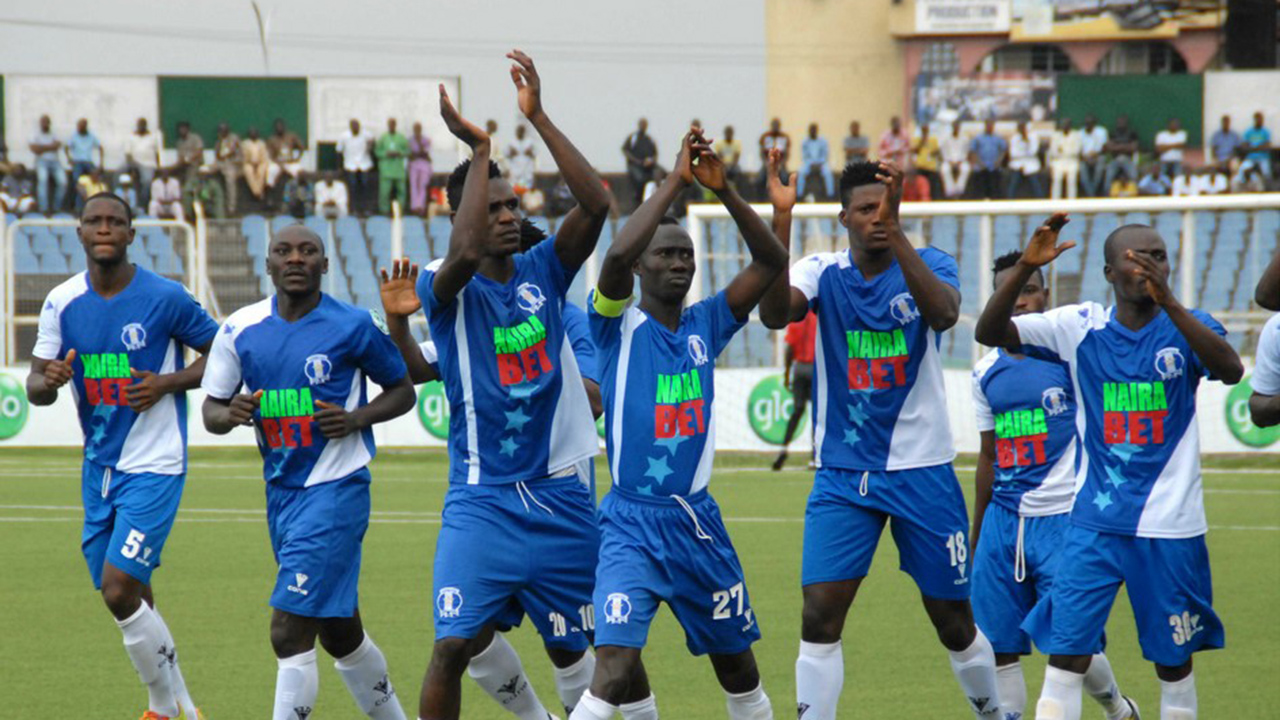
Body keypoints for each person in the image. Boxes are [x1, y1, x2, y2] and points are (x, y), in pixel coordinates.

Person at [759, 159, 1001, 720]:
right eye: (866, 210)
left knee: (953, 621)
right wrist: (782, 217)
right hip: (844, 474)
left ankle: (995, 713)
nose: (876, 218)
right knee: (819, 614)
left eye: (885, 209)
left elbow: (944, 314)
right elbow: (773, 314)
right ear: (843, 217)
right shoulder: (822, 271)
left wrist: (898, 235)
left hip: (922, 470)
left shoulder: (931, 262)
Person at [975, 218, 1243, 720]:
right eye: (1135, 257)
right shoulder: (1079, 327)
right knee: (1064, 661)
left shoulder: (1190, 324)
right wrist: (1026, 267)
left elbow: (1230, 370)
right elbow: (990, 332)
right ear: (1108, 272)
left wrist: (1171, 303)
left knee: (1174, 667)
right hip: (1093, 526)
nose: (1148, 266)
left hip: (1170, 528)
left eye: (1158, 256)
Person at [413, 52, 613, 720]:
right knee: (451, 646)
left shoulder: (544, 272)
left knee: (603, 646)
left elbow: (597, 204)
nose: (505, 215)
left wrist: (539, 118)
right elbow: (467, 252)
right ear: (462, 216)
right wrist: (480, 151)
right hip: (483, 499)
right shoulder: (443, 286)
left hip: (560, 495)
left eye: (511, 205)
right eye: (491, 206)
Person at [571, 132, 787, 720]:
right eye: (665, 254)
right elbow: (613, 259)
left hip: (697, 525)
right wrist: (675, 181)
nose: (679, 263)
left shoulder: (706, 325)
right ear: (641, 266)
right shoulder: (614, 326)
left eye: (686, 255)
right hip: (629, 525)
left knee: (739, 671)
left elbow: (771, 262)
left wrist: (727, 192)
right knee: (613, 669)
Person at [201, 224, 416, 720]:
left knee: (288, 631)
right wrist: (230, 413)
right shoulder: (239, 328)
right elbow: (211, 409)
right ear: (268, 265)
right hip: (282, 494)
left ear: (325, 264)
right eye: (283, 251)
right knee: (340, 633)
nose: (295, 259)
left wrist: (356, 419)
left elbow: (402, 390)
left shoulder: (353, 325)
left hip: (336, 490)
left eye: (308, 251)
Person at [27, 192, 217, 720]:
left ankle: (161, 707)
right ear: (80, 233)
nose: (105, 228)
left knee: (118, 590)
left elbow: (222, 355)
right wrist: (49, 380)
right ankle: (183, 708)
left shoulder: (166, 297)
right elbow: (35, 385)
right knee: (131, 594)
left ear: (132, 234)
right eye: (95, 221)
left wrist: (166, 383)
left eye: (116, 221)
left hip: (155, 464)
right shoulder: (62, 301)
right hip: (98, 467)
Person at [971, 249, 1140, 720]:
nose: (1020, 301)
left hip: (1066, 519)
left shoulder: (1073, 360)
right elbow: (988, 455)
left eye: (1029, 290)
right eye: (1011, 292)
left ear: (1046, 295)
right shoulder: (984, 372)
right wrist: (978, 530)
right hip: (1004, 523)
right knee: (998, 645)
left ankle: (1117, 708)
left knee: (1071, 641)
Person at [772, 302, 815, 470]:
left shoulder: (795, 321)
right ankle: (815, 456)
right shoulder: (819, 320)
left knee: (797, 410)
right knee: (817, 413)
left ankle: (783, 449)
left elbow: (789, 348)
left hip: (799, 369)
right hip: (815, 368)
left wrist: (787, 372)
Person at [30, 115, 67, 214]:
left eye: (46, 122)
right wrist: (51, 146)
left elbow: (57, 145)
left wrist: (42, 147)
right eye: (43, 122)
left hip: (55, 162)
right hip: (41, 162)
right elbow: (34, 149)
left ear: (49, 123)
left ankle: (57, 208)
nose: (45, 124)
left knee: (63, 182)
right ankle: (44, 209)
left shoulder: (55, 133)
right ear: (40, 123)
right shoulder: (35, 134)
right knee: (43, 181)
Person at [338, 119, 376, 216]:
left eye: (357, 126)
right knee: (352, 187)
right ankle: (353, 209)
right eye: (353, 126)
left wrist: (370, 145)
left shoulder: (366, 134)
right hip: (350, 165)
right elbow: (338, 151)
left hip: (364, 164)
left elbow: (372, 140)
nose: (355, 128)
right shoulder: (344, 136)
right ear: (350, 127)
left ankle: (366, 209)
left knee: (366, 187)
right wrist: (339, 167)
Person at [124, 118, 162, 210]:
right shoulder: (131, 137)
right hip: (134, 163)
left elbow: (157, 153)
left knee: (147, 181)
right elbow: (128, 154)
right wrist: (132, 168)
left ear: (146, 126)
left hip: (148, 164)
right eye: (139, 125)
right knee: (118, 173)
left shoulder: (153, 137)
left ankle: (142, 204)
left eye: (143, 125)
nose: (141, 127)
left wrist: (159, 166)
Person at [375, 118, 409, 214]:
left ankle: (400, 211)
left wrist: (399, 153)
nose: (392, 126)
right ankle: (384, 211)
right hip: (386, 170)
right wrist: (386, 153)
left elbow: (408, 151)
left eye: (393, 124)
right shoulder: (383, 138)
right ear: (388, 125)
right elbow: (377, 152)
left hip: (399, 170)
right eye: (390, 124)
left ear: (395, 125)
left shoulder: (401, 138)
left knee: (401, 192)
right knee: (384, 193)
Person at [623, 118, 658, 205]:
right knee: (640, 178)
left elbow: (655, 153)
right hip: (635, 165)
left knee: (659, 174)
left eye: (645, 125)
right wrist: (636, 161)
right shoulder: (633, 138)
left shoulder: (649, 139)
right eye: (642, 124)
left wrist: (651, 161)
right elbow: (625, 150)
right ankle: (638, 198)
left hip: (648, 166)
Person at [970, 119, 1007, 200]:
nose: (989, 127)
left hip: (994, 166)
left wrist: (998, 161)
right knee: (979, 179)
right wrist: (979, 162)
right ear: (985, 126)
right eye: (988, 126)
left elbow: (1003, 151)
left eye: (991, 126)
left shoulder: (998, 138)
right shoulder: (978, 138)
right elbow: (973, 151)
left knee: (995, 181)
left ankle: (994, 198)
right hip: (981, 166)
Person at [1007, 121, 1044, 199]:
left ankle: (1040, 201)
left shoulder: (1033, 137)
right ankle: (1010, 202)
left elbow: (1033, 151)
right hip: (1018, 164)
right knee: (1013, 184)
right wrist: (1024, 155)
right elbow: (1013, 153)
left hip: (1031, 164)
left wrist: (1026, 141)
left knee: (1035, 184)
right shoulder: (1014, 138)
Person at [1102, 115, 1139, 193]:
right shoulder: (1113, 133)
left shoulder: (1132, 133)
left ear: (1126, 123)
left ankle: (1135, 193)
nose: (1121, 124)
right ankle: (1106, 194)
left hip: (1128, 159)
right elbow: (1110, 148)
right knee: (1109, 175)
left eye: (1123, 122)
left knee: (1134, 175)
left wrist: (1117, 147)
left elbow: (1133, 147)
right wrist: (1125, 146)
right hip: (1115, 159)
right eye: (1119, 122)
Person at [267, 118, 306, 191]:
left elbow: (301, 147)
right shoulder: (272, 139)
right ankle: (270, 192)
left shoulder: (291, 136)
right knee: (271, 171)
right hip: (278, 163)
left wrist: (297, 158)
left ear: (284, 127)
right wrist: (279, 164)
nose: (279, 128)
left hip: (290, 162)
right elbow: (270, 156)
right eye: (277, 127)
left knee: (300, 172)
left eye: (281, 126)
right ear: (275, 128)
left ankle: (300, 192)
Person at [1048, 118, 1082, 201]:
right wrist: (1065, 151)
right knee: (1057, 179)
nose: (1064, 126)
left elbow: (1076, 151)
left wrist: (1063, 150)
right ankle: (1055, 201)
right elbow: (1053, 151)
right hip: (1059, 161)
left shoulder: (1076, 135)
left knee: (1071, 180)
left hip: (1072, 161)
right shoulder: (1056, 135)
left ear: (1070, 125)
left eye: (1066, 124)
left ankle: (1072, 202)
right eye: (1063, 125)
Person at [797, 123, 834, 199]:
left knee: (828, 173)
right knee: (801, 172)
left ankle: (830, 194)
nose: (813, 131)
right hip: (808, 164)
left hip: (821, 163)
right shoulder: (805, 142)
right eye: (811, 130)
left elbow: (825, 154)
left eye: (814, 130)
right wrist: (811, 163)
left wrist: (819, 163)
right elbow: (804, 156)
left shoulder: (823, 141)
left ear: (817, 131)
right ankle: (799, 195)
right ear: (809, 131)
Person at [66, 118, 104, 189]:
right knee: (76, 179)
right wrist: (69, 159)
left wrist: (101, 163)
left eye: (81, 127)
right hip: (78, 162)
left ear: (85, 127)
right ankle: (79, 195)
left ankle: (96, 193)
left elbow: (100, 148)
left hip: (88, 162)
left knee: (98, 176)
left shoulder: (91, 136)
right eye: (78, 126)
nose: (78, 128)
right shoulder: (74, 136)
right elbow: (66, 147)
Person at [213, 123, 242, 215]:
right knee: (205, 171)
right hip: (222, 163)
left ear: (227, 130)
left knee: (230, 179)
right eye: (220, 130)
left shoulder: (234, 138)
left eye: (223, 130)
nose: (221, 132)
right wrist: (220, 142)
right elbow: (218, 155)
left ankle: (231, 208)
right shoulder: (219, 140)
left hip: (234, 163)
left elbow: (229, 152)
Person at [1078, 116, 1109, 197]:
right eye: (1086, 124)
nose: (1088, 125)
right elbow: (1079, 150)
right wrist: (1085, 157)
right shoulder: (1080, 133)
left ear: (1094, 124)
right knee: (1082, 171)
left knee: (1099, 169)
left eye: (1090, 123)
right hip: (1085, 158)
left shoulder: (1101, 131)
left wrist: (1095, 155)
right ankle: (1091, 195)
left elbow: (1104, 148)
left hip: (1098, 156)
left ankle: (1091, 193)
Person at [408, 122, 433, 215]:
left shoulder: (426, 140)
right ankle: (414, 207)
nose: (417, 130)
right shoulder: (410, 140)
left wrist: (419, 146)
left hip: (424, 164)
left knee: (422, 185)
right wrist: (418, 154)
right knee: (414, 185)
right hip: (414, 164)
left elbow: (425, 152)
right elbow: (410, 154)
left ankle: (421, 207)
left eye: (418, 128)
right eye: (415, 129)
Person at [242, 127, 271, 206]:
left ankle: (256, 193)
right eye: (252, 133)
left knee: (261, 171)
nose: (253, 134)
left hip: (260, 163)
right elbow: (244, 157)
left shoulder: (262, 143)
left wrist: (258, 163)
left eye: (255, 133)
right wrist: (251, 163)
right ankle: (258, 193)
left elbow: (264, 157)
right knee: (248, 170)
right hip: (249, 163)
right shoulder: (245, 143)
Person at [940, 123, 971, 199]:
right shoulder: (946, 139)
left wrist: (960, 161)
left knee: (966, 168)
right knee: (944, 169)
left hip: (961, 161)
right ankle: (950, 191)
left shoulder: (964, 138)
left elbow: (965, 151)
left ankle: (959, 190)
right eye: (955, 127)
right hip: (949, 161)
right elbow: (944, 151)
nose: (956, 128)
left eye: (957, 127)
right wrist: (950, 161)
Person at [1239, 111, 1272, 180]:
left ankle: (1266, 186)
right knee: (1243, 169)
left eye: (1261, 119)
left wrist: (1254, 147)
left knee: (1266, 173)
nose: (1260, 121)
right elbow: (1244, 145)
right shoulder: (1248, 131)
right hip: (1251, 157)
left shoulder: (1266, 131)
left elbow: (1267, 145)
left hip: (1263, 157)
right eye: (1258, 119)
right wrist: (1259, 147)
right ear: (1255, 120)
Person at [759, 117, 791, 188]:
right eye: (774, 125)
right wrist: (766, 163)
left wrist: (781, 164)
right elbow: (761, 153)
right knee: (760, 178)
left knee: (785, 178)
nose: (775, 127)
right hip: (767, 164)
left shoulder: (784, 137)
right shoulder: (765, 137)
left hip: (780, 164)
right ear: (771, 126)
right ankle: (761, 195)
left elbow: (786, 154)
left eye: (777, 125)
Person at [912, 124, 941, 199]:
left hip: (931, 166)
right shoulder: (917, 139)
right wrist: (922, 142)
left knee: (932, 184)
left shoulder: (933, 139)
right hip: (920, 166)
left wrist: (933, 152)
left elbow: (937, 151)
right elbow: (915, 151)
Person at [508, 124, 538, 192]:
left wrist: (530, 152)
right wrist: (511, 152)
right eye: (519, 131)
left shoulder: (530, 142)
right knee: (514, 191)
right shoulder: (512, 142)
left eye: (522, 131)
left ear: (524, 132)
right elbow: (506, 154)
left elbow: (535, 154)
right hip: (515, 172)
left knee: (525, 191)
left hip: (526, 172)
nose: (520, 132)